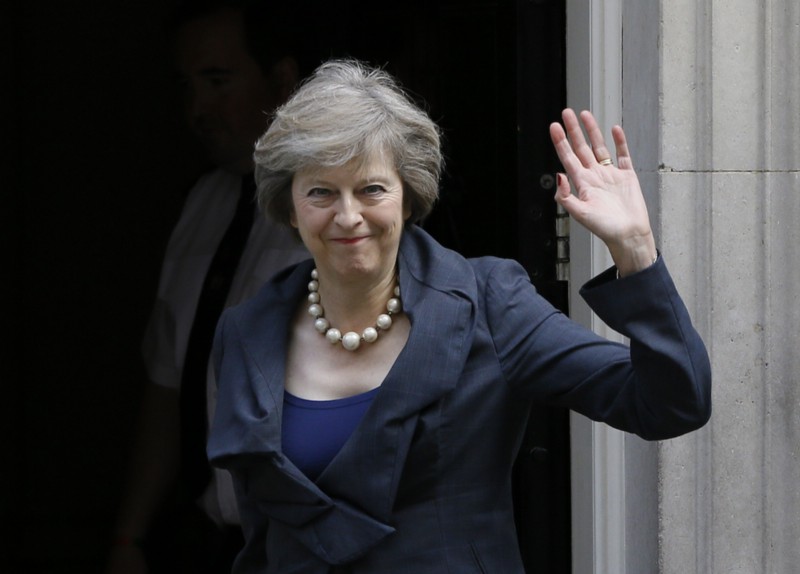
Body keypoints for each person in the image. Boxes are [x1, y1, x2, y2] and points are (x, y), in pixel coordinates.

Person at [207, 60, 712, 573]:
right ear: (290, 207)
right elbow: (262, 532)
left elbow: (671, 404)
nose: (348, 215)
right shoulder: (247, 332)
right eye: (320, 192)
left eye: (371, 189)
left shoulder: (491, 303)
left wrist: (635, 250)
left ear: (408, 198)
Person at [106, 2, 314, 573]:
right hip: (208, 545)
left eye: (218, 81)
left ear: (280, 80)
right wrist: (130, 539)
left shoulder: (340, 210)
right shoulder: (205, 203)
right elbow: (168, 382)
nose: (197, 109)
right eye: (187, 85)